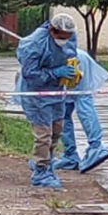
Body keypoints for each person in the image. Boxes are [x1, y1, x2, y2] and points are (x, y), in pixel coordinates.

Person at [16, 13, 78, 189]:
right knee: (43, 134)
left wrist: (72, 73)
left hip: (56, 91)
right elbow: (30, 74)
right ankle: (41, 170)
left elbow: (71, 56)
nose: (65, 41)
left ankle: (48, 162)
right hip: (37, 94)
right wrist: (55, 73)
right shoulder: (34, 44)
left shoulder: (70, 37)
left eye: (68, 37)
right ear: (52, 30)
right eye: (61, 37)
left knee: (57, 129)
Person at [53, 48, 108, 174]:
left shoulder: (32, 52)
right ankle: (70, 155)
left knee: (83, 102)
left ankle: (96, 147)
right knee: (62, 111)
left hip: (72, 61)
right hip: (69, 58)